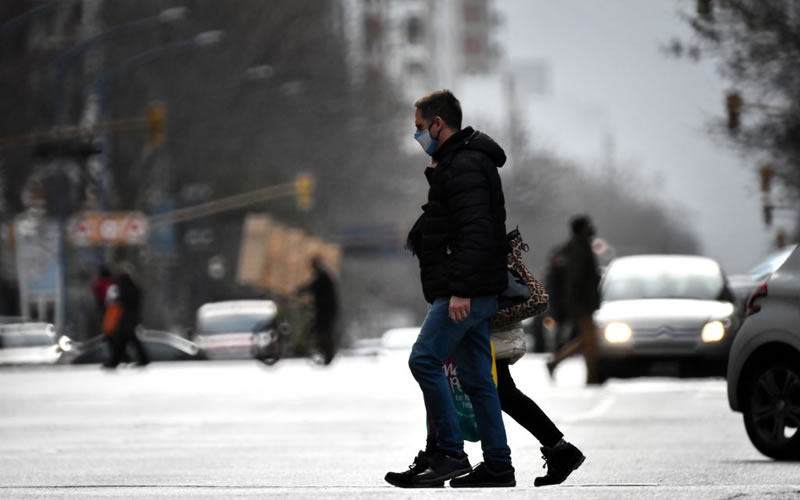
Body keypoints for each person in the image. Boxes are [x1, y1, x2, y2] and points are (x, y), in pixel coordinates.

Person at [389, 90, 514, 488]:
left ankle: (450, 454)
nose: (418, 135)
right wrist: (436, 170)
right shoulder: (459, 162)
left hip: (464, 291)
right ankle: (498, 465)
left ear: (438, 124)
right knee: (477, 379)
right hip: (473, 289)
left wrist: (461, 290)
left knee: (423, 360)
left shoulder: (464, 165)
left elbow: (474, 231)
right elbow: (449, 218)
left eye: (420, 127)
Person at [386, 322, 586, 487]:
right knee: (499, 390)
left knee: (497, 389)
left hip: (483, 319)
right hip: (485, 319)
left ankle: (447, 457)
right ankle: (557, 450)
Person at [546, 216, 602, 383]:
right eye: (588, 226)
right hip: (582, 304)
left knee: (586, 340)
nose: (591, 228)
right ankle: (591, 376)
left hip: (580, 303)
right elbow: (577, 278)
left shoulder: (575, 246)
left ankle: (556, 362)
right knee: (591, 341)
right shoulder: (580, 247)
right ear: (583, 228)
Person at [103, 263, 149, 368]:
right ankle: (141, 359)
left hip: (125, 318)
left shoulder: (123, 287)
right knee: (127, 339)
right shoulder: (134, 286)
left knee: (123, 339)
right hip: (131, 318)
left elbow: (120, 300)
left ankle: (114, 361)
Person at [296, 256, 339, 365]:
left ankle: (326, 351)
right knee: (321, 329)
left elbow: (312, 286)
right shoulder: (322, 275)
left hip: (326, 310)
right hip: (324, 309)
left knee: (321, 329)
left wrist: (301, 290)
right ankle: (324, 350)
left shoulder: (322, 276)